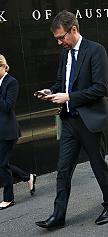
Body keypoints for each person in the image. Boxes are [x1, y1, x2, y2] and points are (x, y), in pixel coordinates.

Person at [34, 10, 108, 229]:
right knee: (63, 169)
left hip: (90, 121)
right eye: (56, 38)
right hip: (69, 121)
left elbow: (101, 88)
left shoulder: (95, 50)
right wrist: (50, 91)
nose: (59, 42)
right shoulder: (64, 54)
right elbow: (61, 83)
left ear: (73, 29)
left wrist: (69, 96)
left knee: (98, 165)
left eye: (61, 37)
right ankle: (58, 216)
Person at [0, 53, 37, 210]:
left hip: (8, 130)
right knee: (0, 164)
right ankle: (27, 177)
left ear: (4, 66)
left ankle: (9, 199)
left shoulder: (12, 82)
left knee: (1, 164)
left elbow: (7, 106)